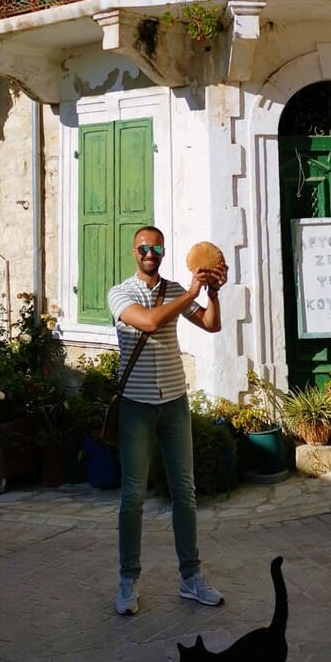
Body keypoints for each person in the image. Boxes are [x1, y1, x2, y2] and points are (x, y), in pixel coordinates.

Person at [107, 224, 229, 616]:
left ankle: (191, 577)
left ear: (163, 252)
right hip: (136, 406)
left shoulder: (176, 290)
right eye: (144, 248)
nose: (150, 254)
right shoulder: (120, 294)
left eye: (156, 248)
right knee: (133, 495)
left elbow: (211, 324)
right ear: (134, 252)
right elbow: (149, 322)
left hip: (175, 402)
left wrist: (212, 293)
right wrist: (191, 293)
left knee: (185, 492)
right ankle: (128, 580)